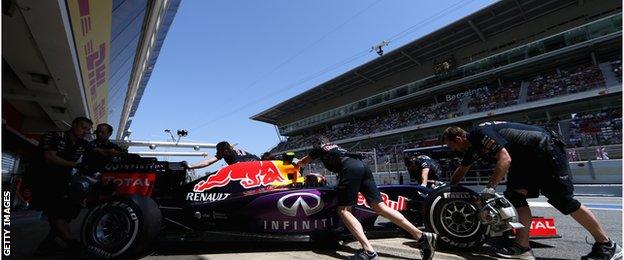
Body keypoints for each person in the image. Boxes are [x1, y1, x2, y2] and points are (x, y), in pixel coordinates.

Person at [441, 122, 621, 260]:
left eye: (451, 146)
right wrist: (447, 189)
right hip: (525, 158)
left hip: (544, 148)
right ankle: (522, 248)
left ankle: (607, 245)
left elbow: (504, 159)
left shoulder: (479, 134)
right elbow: (462, 169)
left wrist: (489, 188)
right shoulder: (472, 146)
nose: (453, 150)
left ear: (458, 139)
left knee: (563, 200)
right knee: (515, 196)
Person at [296, 136, 437, 260]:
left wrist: (294, 163)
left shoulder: (319, 148)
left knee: (344, 210)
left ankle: (368, 251)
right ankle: (421, 236)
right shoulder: (336, 148)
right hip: (362, 166)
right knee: (380, 207)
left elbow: (303, 162)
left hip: (349, 168)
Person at [29, 117, 97, 256]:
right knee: (55, 213)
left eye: (88, 130)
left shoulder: (83, 143)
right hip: (41, 179)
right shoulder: (53, 135)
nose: (85, 132)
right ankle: (71, 243)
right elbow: (50, 157)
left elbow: (100, 151)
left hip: (62, 181)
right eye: (83, 128)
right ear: (73, 125)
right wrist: (76, 165)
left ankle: (47, 245)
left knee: (67, 212)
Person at [189, 141, 259, 169]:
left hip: (257, 163)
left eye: (219, 151)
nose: (218, 153)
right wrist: (191, 166)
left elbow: (240, 167)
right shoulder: (224, 153)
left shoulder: (235, 157)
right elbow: (207, 162)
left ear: (226, 151)